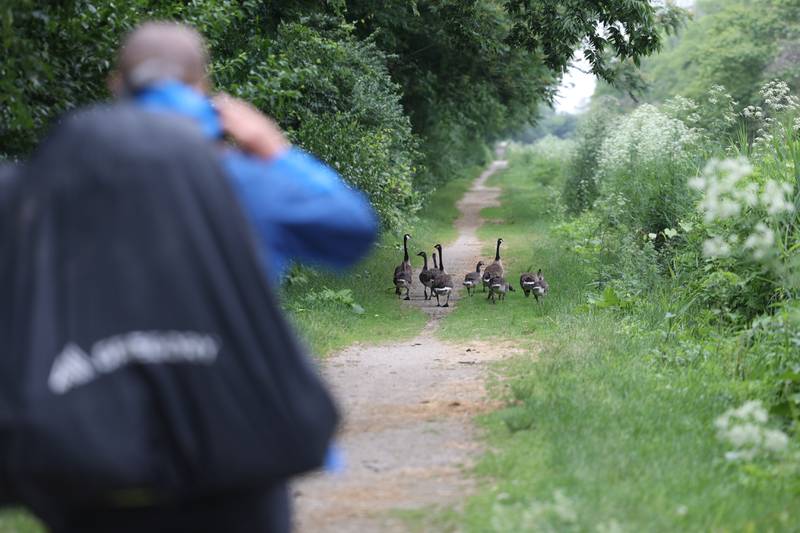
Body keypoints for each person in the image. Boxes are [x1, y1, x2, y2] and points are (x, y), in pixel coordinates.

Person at [109, 22, 378, 281]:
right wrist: (277, 151)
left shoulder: (71, 167)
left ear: (117, 84)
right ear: (202, 88)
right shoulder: (244, 182)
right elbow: (353, 227)